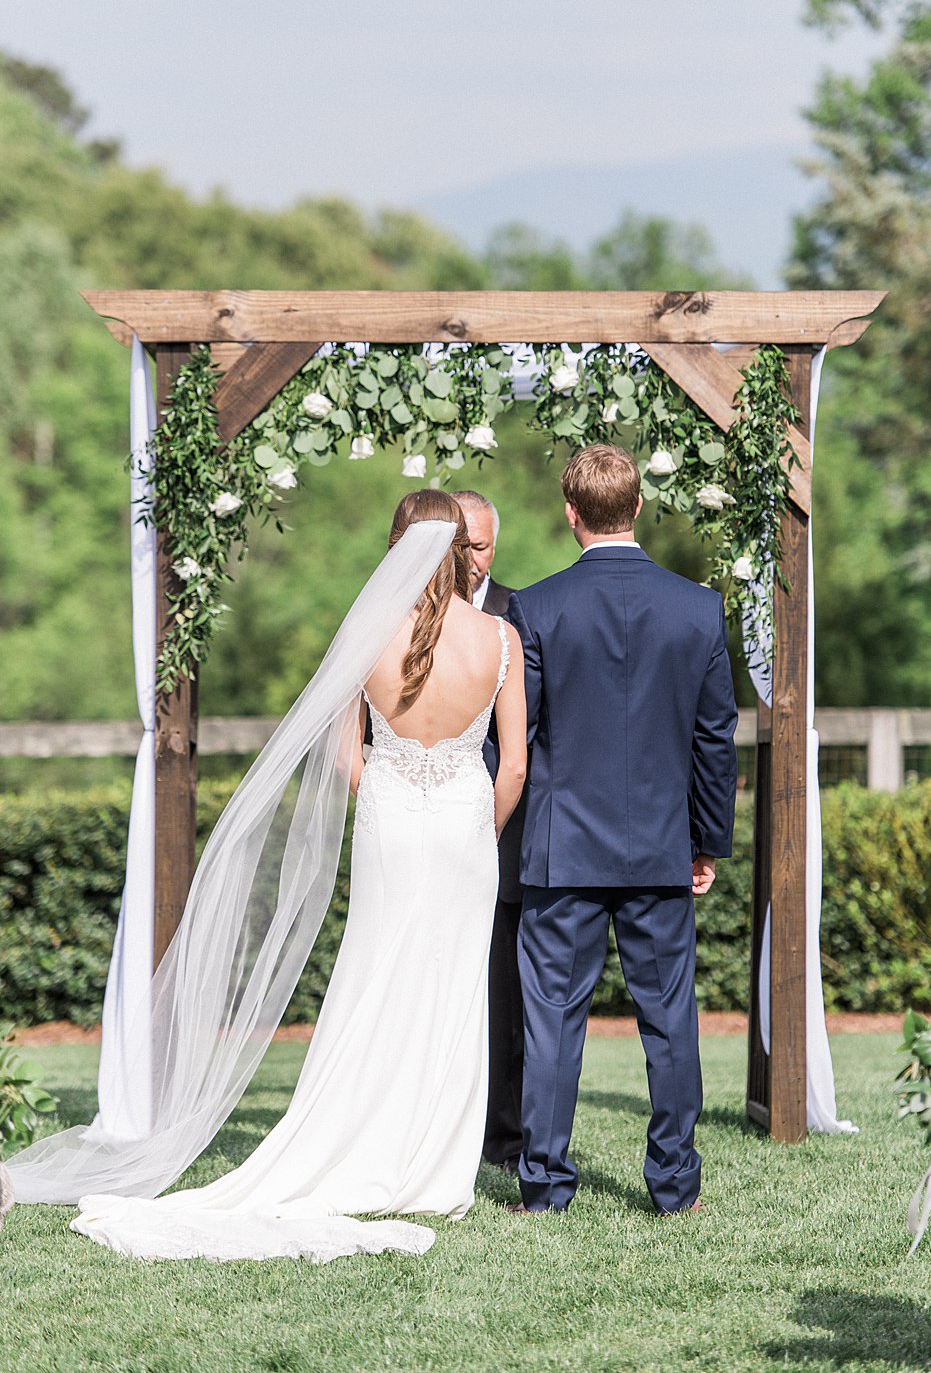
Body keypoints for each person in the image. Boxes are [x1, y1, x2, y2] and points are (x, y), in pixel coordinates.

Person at [47, 491, 527, 1261]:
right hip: (467, 836)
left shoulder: (367, 634)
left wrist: (392, 802)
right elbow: (516, 768)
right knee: (452, 989)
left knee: (372, 981)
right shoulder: (500, 638)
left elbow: (345, 756)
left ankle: (350, 1143)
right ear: (455, 549)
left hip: (391, 826)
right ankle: (435, 1172)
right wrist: (472, 830)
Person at [507, 444, 738, 1216]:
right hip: (659, 852)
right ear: (637, 507)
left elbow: (519, 738)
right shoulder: (698, 608)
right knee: (669, 1019)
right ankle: (674, 1187)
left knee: (553, 1023)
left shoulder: (533, 609)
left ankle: (543, 1185)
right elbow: (714, 738)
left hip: (559, 852)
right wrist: (705, 840)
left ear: (570, 513)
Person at [453, 491, 526, 1175]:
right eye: (461, 545)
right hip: (421, 826)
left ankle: (502, 1138)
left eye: (481, 545)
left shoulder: (519, 615)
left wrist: (488, 826)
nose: (472, 559)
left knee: (501, 990)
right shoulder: (394, 621)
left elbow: (527, 739)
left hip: (498, 832)